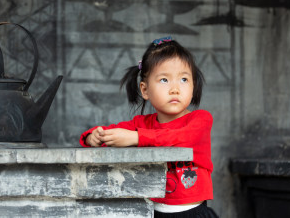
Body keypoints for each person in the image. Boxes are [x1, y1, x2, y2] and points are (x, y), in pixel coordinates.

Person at [79, 36, 218, 218]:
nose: (175, 88)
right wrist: (94, 137)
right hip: (154, 213)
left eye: (184, 80)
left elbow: (179, 138)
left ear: (193, 86)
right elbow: (111, 132)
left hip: (193, 213)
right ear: (145, 90)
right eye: (164, 80)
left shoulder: (200, 120)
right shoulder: (142, 124)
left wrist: (136, 138)